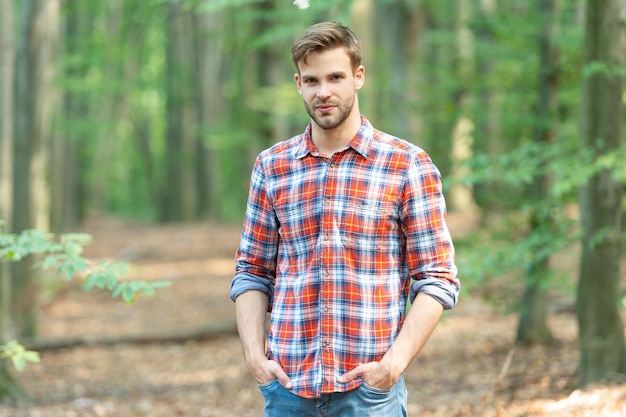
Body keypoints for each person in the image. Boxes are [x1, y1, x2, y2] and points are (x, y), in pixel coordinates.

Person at [230, 21, 460, 417]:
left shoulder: (407, 165)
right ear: (298, 83)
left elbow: (437, 277)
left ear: (358, 77)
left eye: (335, 77)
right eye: (312, 80)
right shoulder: (272, 166)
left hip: (369, 395)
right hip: (287, 390)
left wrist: (393, 366)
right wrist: (255, 358)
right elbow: (252, 271)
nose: (324, 92)